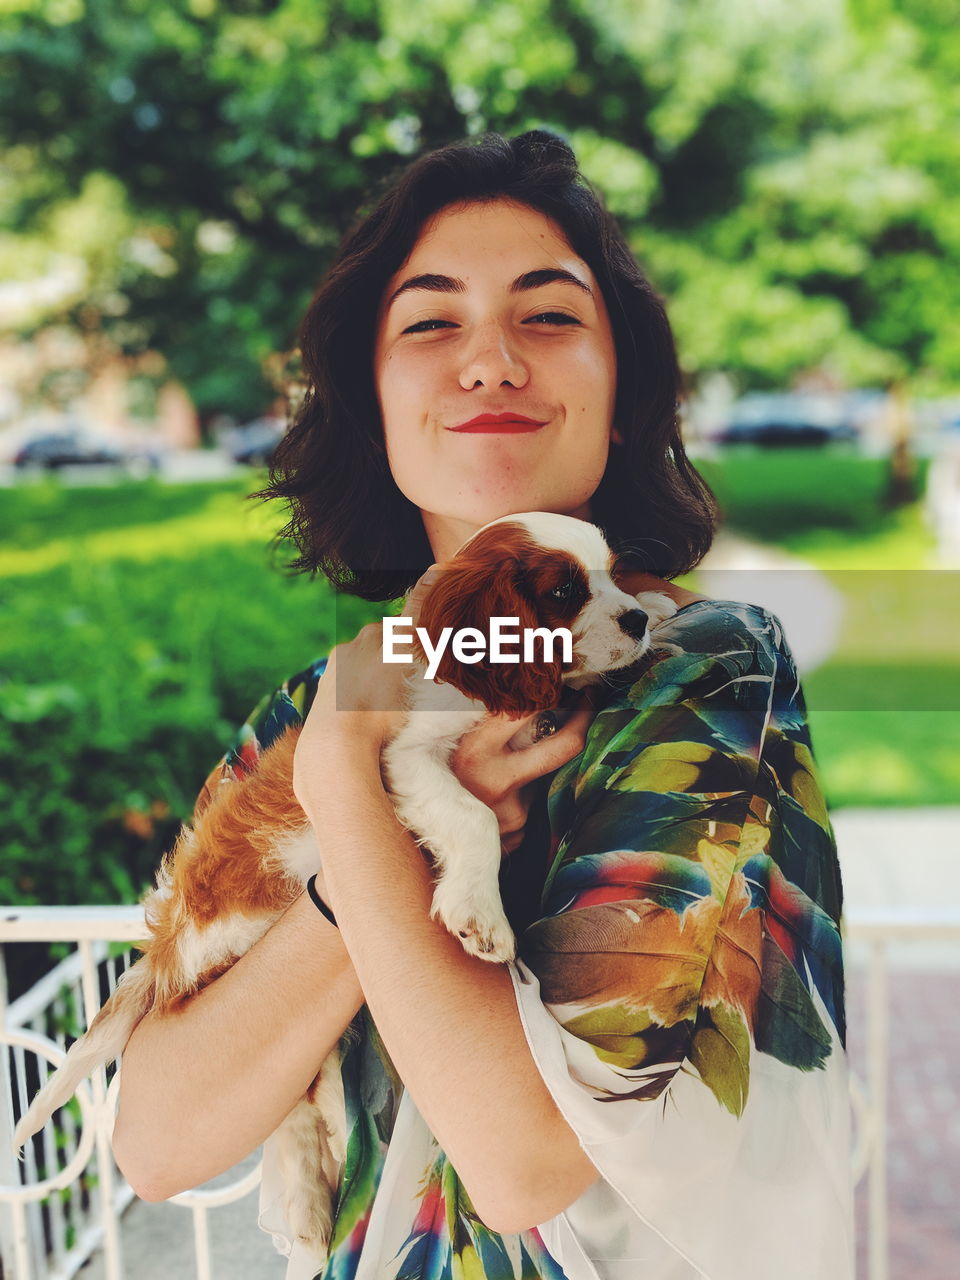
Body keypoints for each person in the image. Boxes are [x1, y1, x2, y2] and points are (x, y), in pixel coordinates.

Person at [112, 131, 853, 1279]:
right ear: (372, 400)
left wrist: (353, 804)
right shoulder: (325, 703)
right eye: (430, 321)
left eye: (549, 316)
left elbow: (522, 1166)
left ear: (623, 396)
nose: (492, 359)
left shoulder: (699, 667)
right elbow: (155, 1142)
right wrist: (354, 850)